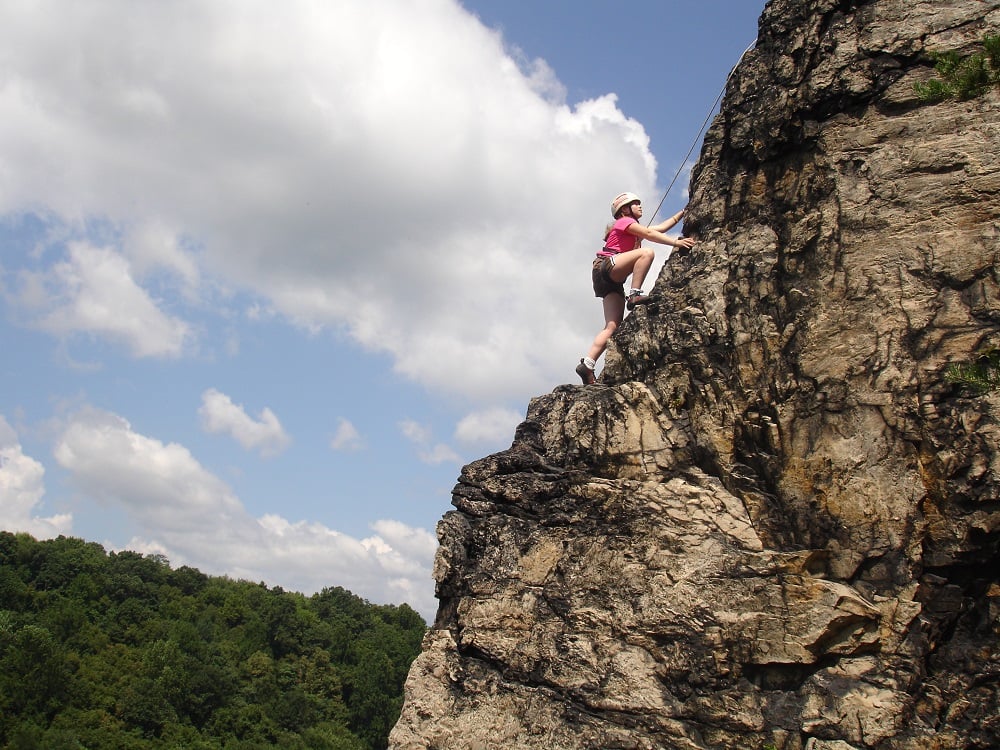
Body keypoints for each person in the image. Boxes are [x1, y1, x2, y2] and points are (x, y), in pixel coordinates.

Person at [575, 192, 697, 385]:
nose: (640, 206)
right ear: (624, 210)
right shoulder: (623, 222)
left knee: (613, 326)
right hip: (606, 266)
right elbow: (649, 234)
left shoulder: (631, 228)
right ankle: (635, 294)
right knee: (646, 252)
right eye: (635, 204)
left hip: (608, 278)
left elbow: (660, 229)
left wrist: (684, 212)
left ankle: (588, 364)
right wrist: (676, 242)